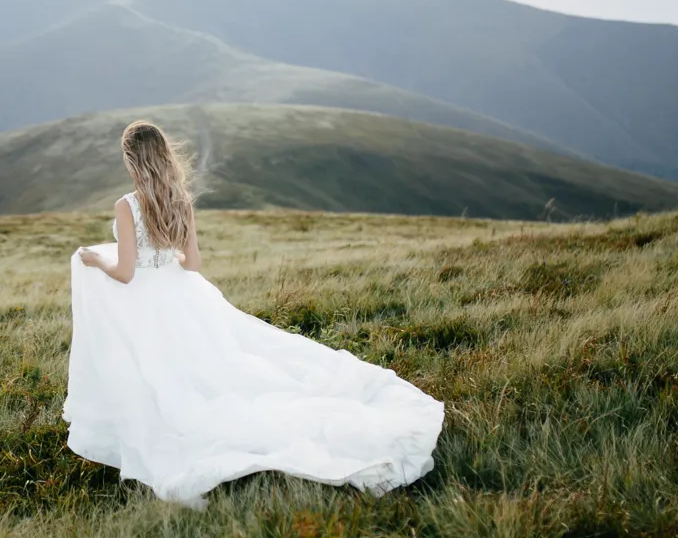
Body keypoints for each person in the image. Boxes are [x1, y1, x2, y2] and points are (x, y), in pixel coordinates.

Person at [64, 120, 444, 507]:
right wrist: (167, 258)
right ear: (163, 155)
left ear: (130, 160)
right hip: (182, 294)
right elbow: (192, 263)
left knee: (160, 371)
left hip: (147, 304)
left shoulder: (127, 205)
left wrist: (96, 260)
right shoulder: (180, 199)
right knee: (208, 365)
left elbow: (126, 273)